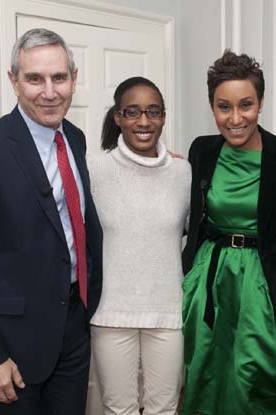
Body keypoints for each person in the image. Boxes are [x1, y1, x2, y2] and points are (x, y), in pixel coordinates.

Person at [0, 28, 103, 415]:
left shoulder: (75, 140)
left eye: (59, 78)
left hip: (72, 331)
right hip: (8, 348)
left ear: (74, 80)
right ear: (13, 81)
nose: (49, 91)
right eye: (35, 78)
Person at [181, 50, 276, 415]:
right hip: (210, 280)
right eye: (224, 107)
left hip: (263, 284)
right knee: (205, 378)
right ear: (212, 107)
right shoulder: (202, 150)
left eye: (246, 105)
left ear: (261, 103)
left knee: (259, 380)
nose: (235, 118)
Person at [87, 76, 191, 415]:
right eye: (132, 112)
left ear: (163, 116)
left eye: (153, 112)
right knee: (119, 409)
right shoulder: (94, 170)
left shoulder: (183, 172)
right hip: (111, 314)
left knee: (164, 409)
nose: (144, 122)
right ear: (117, 117)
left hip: (168, 313)